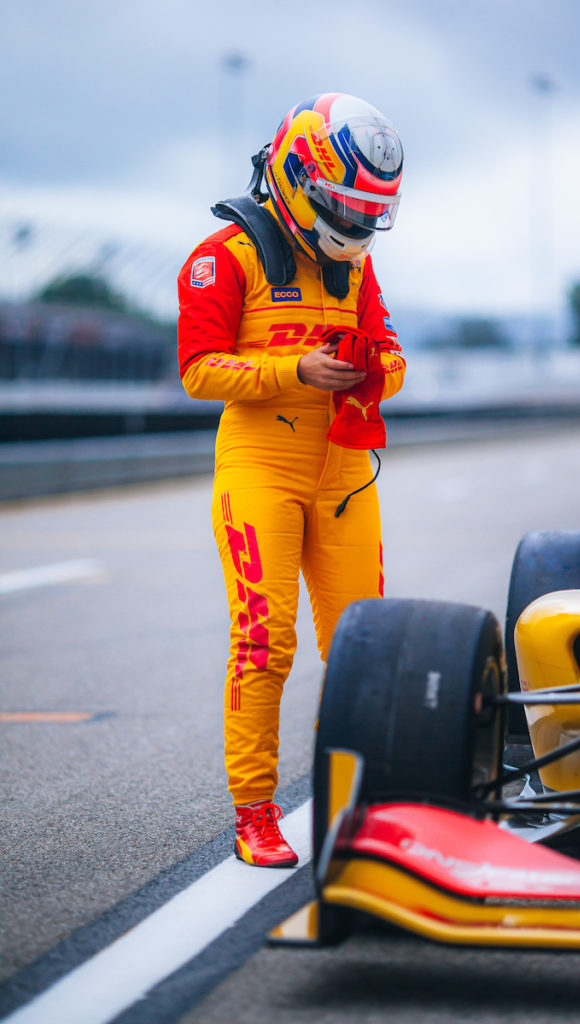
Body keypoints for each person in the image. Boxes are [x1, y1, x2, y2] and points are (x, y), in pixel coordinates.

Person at [177, 93, 405, 867]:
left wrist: (378, 372)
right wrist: (296, 370)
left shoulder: (359, 264)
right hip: (258, 468)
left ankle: (354, 804)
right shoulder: (222, 257)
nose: (354, 221)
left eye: (366, 208)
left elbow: (394, 356)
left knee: (361, 648)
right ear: (299, 175)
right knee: (263, 643)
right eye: (343, 203)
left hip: (342, 470)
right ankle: (255, 813)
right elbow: (199, 373)